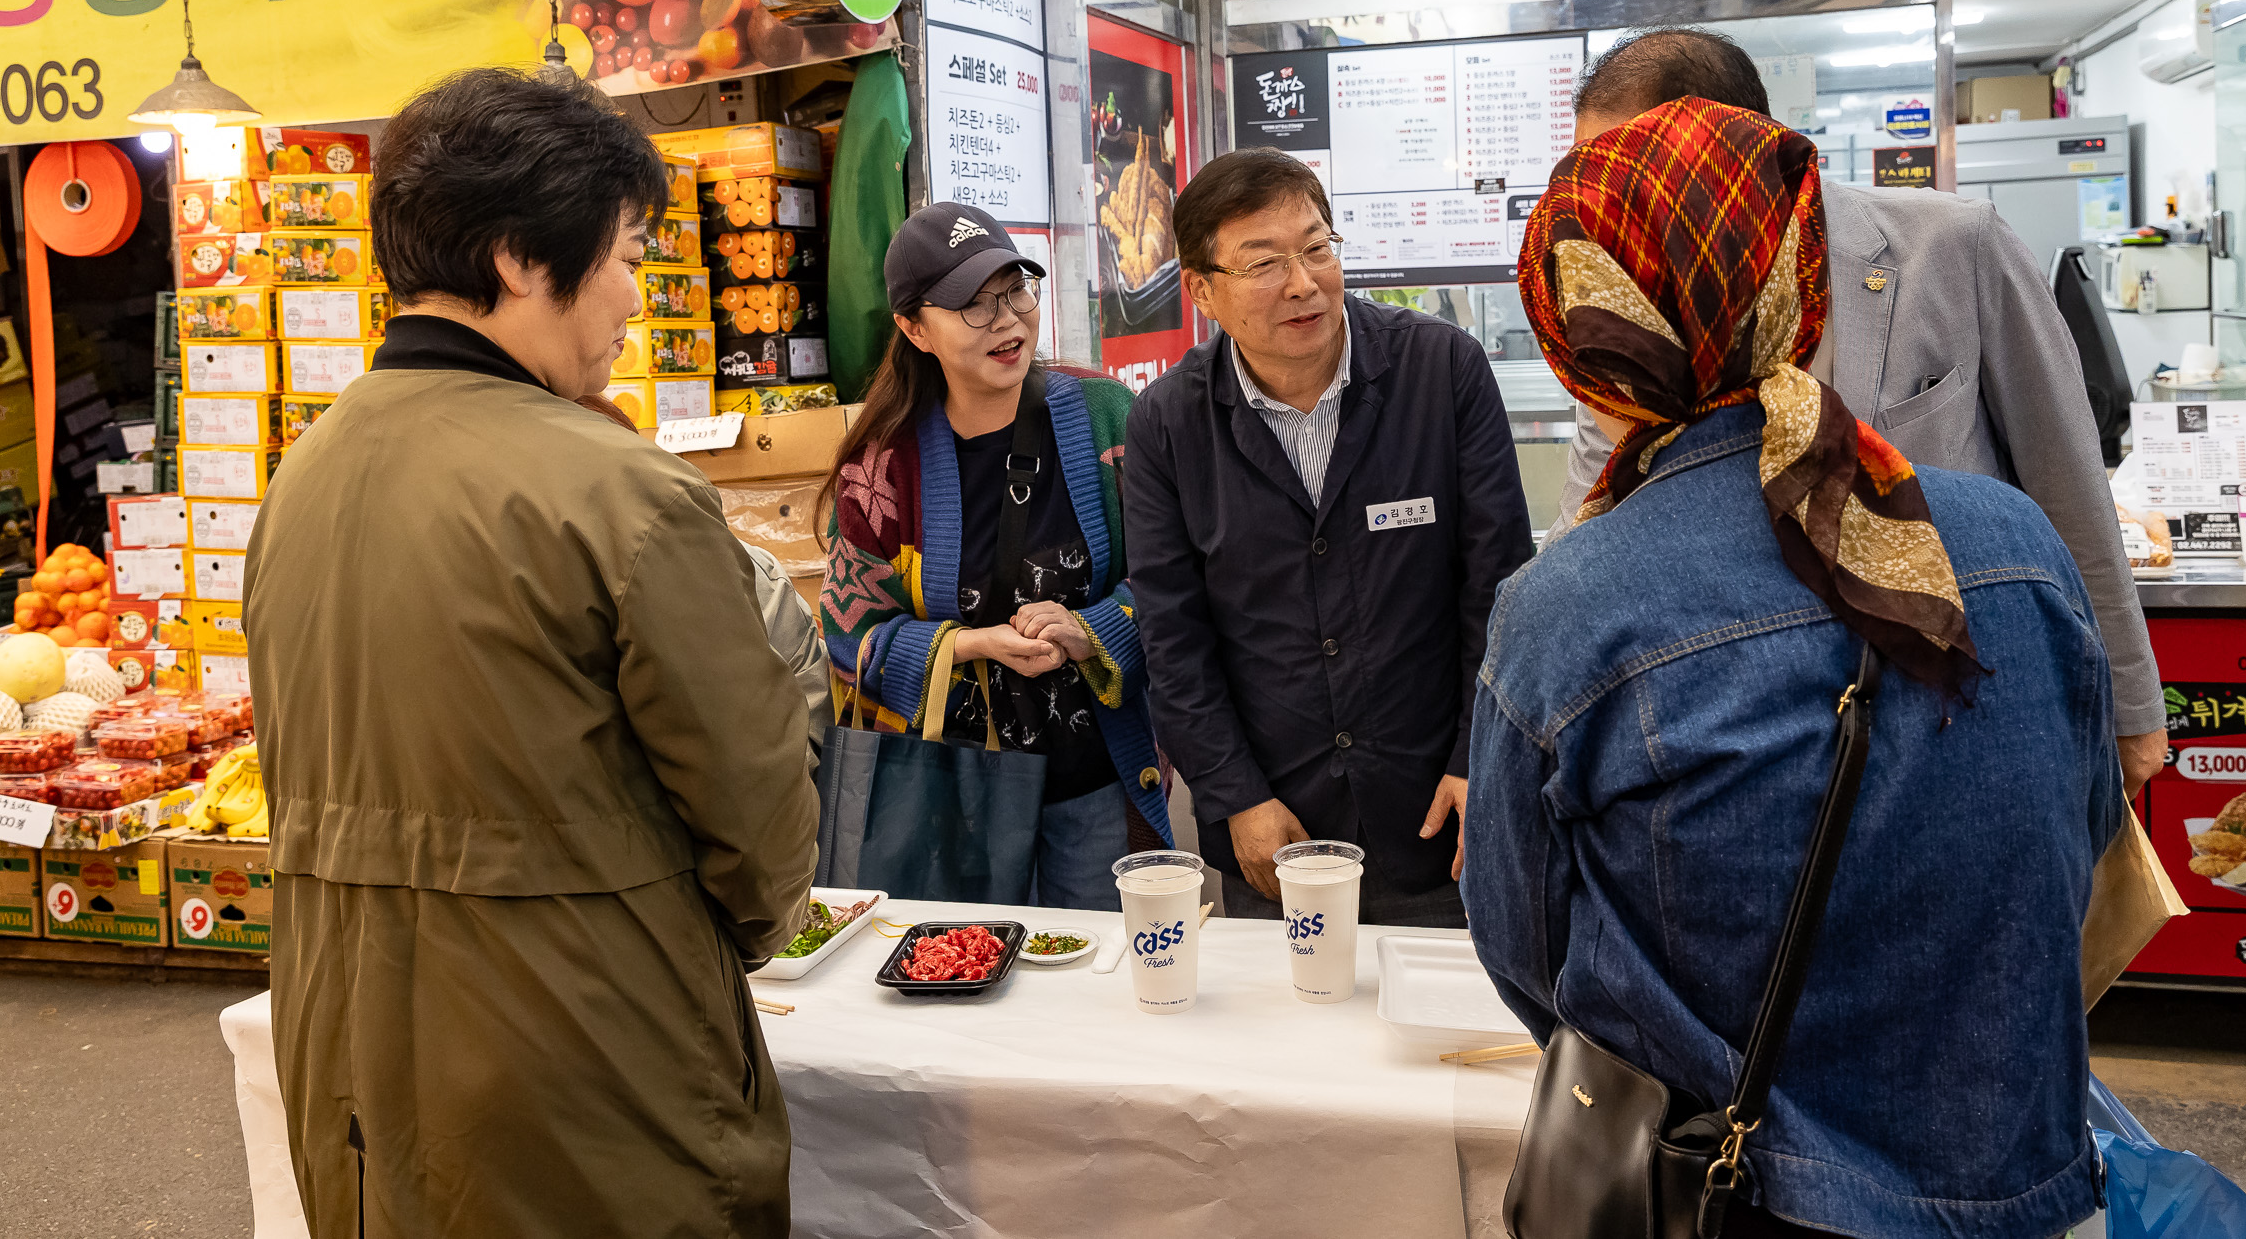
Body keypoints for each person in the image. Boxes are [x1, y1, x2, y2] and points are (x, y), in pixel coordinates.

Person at [1467, 97, 2120, 1239]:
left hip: (1738, 1195)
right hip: (2024, 1180)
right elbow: (2085, 827)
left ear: (1578, 330)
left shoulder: (1565, 608)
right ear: (1800, 278)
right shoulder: (2016, 544)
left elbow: (1525, 949)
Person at [245, 69, 821, 1236]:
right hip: (586, 1059)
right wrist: (743, 933)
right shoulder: (620, 490)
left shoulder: (300, 476)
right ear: (517, 256)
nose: (629, 296)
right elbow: (755, 817)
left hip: (348, 1047)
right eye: (621, 253)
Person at [1553, 27, 2169, 793]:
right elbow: (1590, 514)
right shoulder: (1627, 303)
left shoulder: (1952, 247)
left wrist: (2130, 709)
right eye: (1588, 174)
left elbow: (2068, 484)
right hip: (1741, 744)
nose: (1604, 207)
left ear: (1741, 147)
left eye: (1630, 174)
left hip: (1952, 705)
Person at [1124, 149, 1531, 926]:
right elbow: (1174, 635)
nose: (1304, 281)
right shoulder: (1169, 425)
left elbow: (1502, 584)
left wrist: (1480, 758)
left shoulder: (1442, 372)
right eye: (1264, 263)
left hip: (1441, 816)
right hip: (1277, 833)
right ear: (1202, 290)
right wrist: (1237, 794)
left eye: (1317, 247)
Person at [820, 202, 1171, 904]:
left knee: (1102, 993)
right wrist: (968, 643)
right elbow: (846, 634)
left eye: (1015, 290)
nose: (1007, 320)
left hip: (1098, 788)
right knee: (975, 999)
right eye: (971, 307)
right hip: (956, 806)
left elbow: (1176, 581)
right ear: (913, 328)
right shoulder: (882, 469)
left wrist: (1092, 630)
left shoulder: (1108, 415)